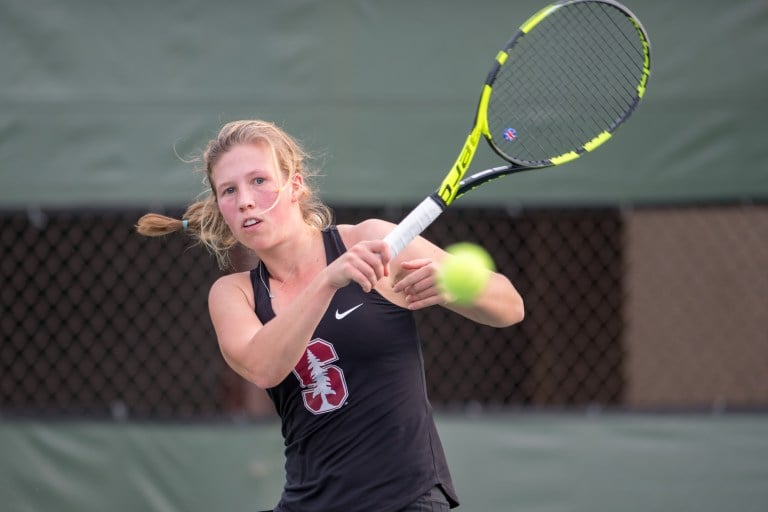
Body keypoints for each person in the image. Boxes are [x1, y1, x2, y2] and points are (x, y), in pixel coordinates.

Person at [137, 119, 524, 511]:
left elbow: (511, 307)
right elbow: (263, 366)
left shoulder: (372, 241)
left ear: (296, 186)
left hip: (408, 499)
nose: (245, 201)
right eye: (229, 190)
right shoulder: (233, 293)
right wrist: (327, 282)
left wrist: (458, 284)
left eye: (259, 180)